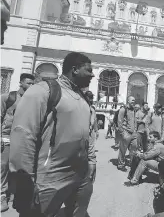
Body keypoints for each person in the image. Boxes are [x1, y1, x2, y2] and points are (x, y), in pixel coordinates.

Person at [9, 52, 96, 216]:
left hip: (80, 176)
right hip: (49, 179)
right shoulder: (43, 91)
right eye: (89, 70)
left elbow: (87, 134)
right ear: (75, 69)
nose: (92, 75)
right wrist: (24, 182)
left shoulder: (82, 97)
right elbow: (23, 134)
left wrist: (91, 161)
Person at [1, 73, 35, 212]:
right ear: (21, 83)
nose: (31, 86)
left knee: (19, 169)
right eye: (28, 83)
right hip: (6, 137)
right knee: (3, 167)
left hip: (22, 140)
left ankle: (16, 195)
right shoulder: (7, 98)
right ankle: (2, 196)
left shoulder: (32, 101)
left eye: (33, 84)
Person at [117, 96, 137, 172]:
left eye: (134, 100)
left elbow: (135, 120)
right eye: (132, 100)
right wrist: (122, 132)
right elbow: (119, 121)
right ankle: (120, 164)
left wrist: (135, 129)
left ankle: (132, 163)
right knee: (123, 149)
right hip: (126, 132)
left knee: (134, 147)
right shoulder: (123, 110)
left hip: (133, 133)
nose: (133, 102)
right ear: (128, 101)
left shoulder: (134, 110)